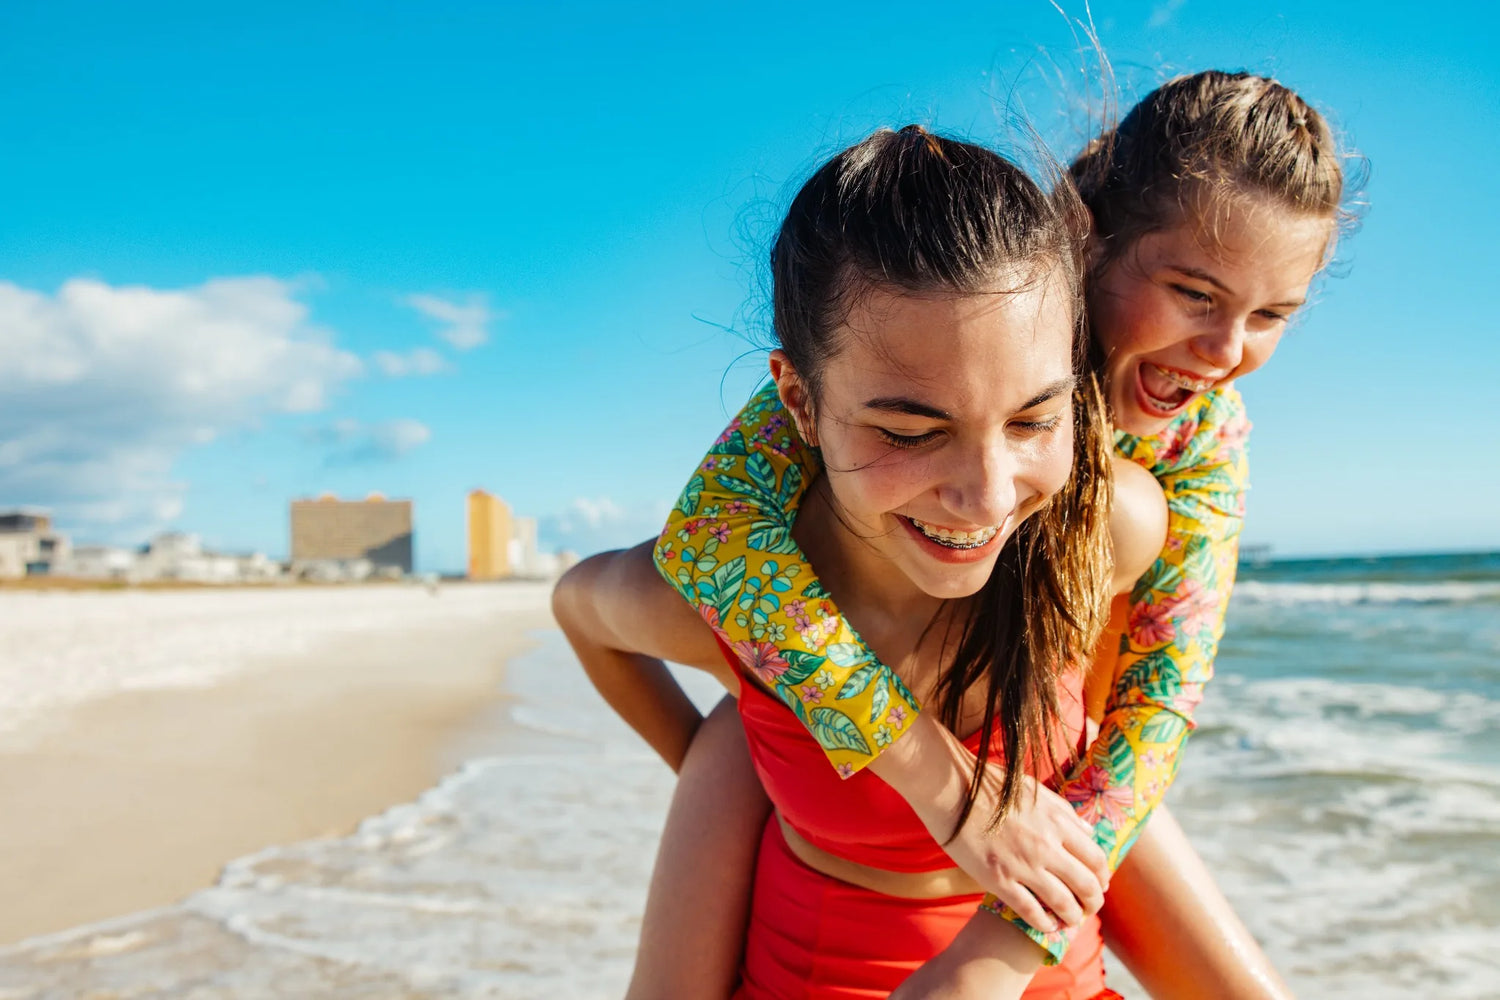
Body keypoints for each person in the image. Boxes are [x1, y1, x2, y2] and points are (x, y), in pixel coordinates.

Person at [628, 70, 1350, 997]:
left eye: (1272, 316)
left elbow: (1161, 689)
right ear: (1090, 240)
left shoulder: (1204, 432)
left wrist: (1002, 947)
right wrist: (927, 783)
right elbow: (708, 540)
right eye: (1193, 293)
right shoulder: (938, 327)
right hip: (911, 747)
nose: (1226, 352)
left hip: (1055, 760)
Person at [557, 123, 1171, 998]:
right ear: (801, 405)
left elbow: (1120, 739)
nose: (988, 496)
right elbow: (579, 611)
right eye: (911, 432)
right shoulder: (738, 600)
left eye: (1033, 420)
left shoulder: (1105, 534)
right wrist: (719, 768)